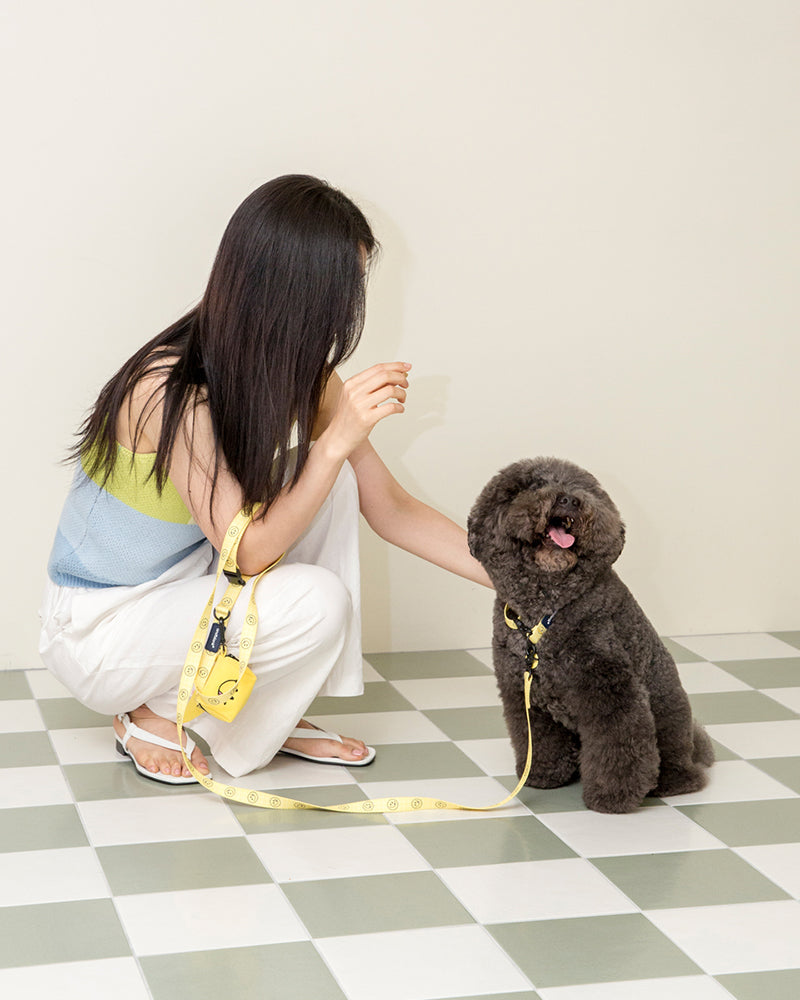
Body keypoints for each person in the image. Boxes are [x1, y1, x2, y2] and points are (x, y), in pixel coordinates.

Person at [39, 174, 492, 786]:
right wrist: (334, 443)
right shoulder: (167, 389)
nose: (347, 311)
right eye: (342, 290)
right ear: (290, 290)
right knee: (318, 585)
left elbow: (393, 509)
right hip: (103, 627)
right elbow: (246, 554)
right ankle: (150, 710)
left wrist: (526, 582)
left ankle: (264, 712)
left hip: (192, 593)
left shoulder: (309, 381)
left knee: (335, 485)